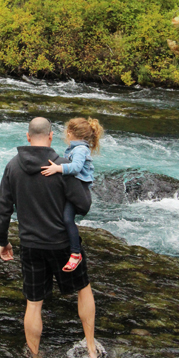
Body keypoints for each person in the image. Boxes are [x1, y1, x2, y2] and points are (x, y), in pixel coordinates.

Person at [0, 117, 98, 358]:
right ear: (51, 136)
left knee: (33, 303)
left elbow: (3, 210)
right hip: (63, 244)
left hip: (31, 245)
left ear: (28, 136)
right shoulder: (63, 165)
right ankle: (92, 350)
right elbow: (83, 206)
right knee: (83, 289)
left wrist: (3, 242)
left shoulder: (12, 166)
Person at [41, 117, 104, 273]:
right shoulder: (74, 149)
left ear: (70, 133)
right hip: (70, 189)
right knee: (60, 216)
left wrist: (58, 168)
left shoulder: (80, 150)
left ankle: (75, 253)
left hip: (79, 191)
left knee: (68, 219)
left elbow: (75, 168)